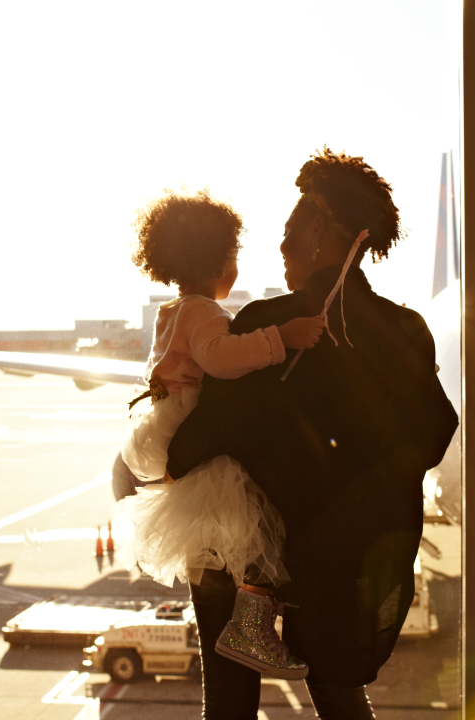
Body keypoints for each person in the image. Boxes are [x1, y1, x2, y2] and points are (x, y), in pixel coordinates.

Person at [167, 149, 458, 719]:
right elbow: (434, 432)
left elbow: (198, 445)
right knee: (340, 693)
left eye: (289, 228)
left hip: (248, 558)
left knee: (229, 704)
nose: (279, 245)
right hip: (342, 565)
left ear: (319, 232)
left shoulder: (266, 327)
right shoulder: (407, 330)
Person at [117, 188, 325, 679]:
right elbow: (220, 359)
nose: (237, 266)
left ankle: (246, 625)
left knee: (236, 541)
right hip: (200, 435)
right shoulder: (204, 312)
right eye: (234, 255)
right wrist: (281, 339)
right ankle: (251, 624)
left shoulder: (170, 311)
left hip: (168, 430)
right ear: (218, 263)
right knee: (261, 523)